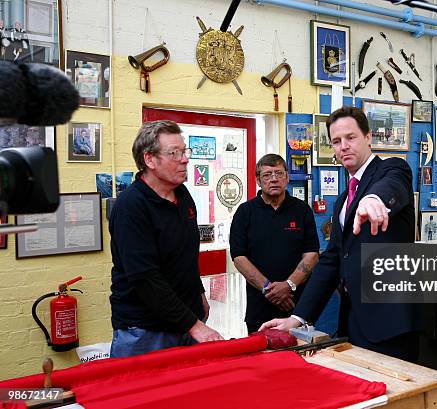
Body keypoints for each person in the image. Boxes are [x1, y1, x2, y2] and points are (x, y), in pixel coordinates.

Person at [260, 106, 419, 362]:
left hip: (390, 324)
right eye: (336, 141)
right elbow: (332, 261)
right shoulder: (343, 200)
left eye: (351, 137)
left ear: (368, 137)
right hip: (353, 322)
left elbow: (393, 185)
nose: (343, 146)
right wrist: (297, 319)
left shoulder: (393, 169)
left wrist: (374, 199)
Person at [109, 120, 223, 358]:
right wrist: (195, 326)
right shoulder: (131, 206)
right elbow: (145, 279)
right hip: (145, 329)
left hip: (186, 319)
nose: (185, 159)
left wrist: (198, 294)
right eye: (175, 153)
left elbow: (186, 256)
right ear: (150, 160)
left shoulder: (182, 194)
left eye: (184, 151)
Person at [230, 154, 319, 333]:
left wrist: (289, 285)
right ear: (258, 180)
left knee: (300, 358)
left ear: (287, 177)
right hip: (259, 308)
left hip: (297, 308)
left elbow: (312, 254)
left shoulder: (302, 210)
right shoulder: (245, 212)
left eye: (278, 173)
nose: (273, 179)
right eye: (267, 175)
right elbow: (239, 257)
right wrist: (268, 289)